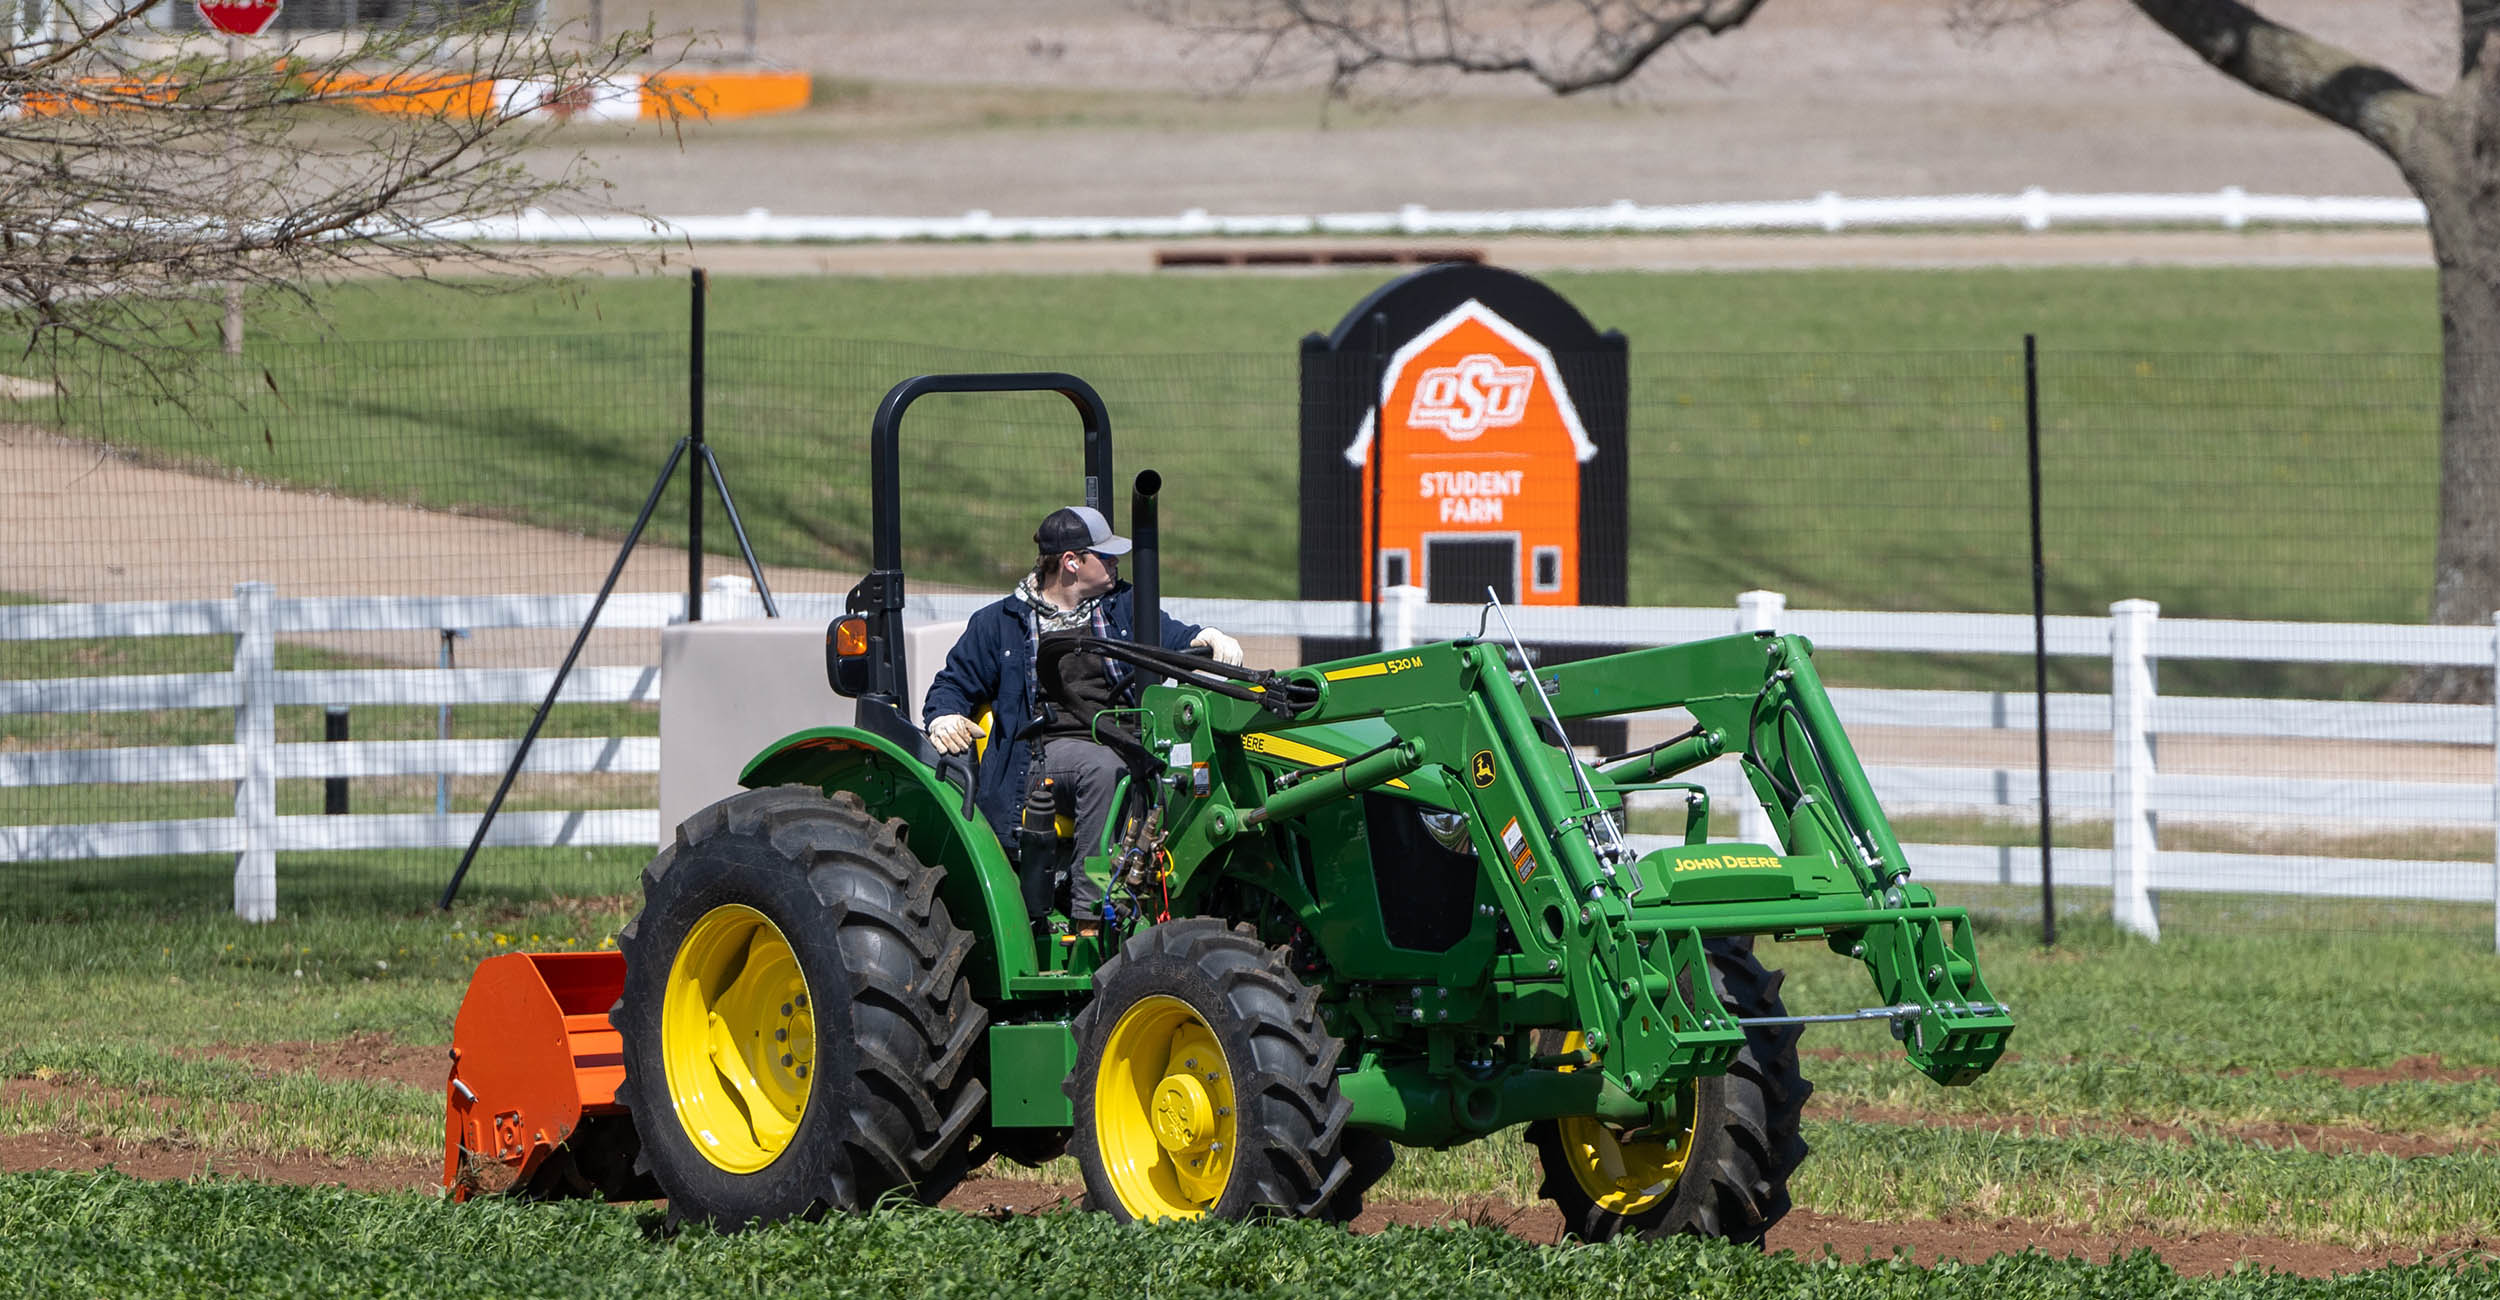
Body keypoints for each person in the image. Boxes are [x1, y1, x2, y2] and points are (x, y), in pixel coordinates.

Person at [923, 505, 1243, 930]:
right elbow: (952, 685)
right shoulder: (1000, 624)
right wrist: (943, 716)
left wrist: (1206, 638)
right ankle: (1093, 919)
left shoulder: (1122, 607)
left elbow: (1172, 638)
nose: (1115, 564)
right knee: (1105, 770)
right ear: (1072, 563)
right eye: (1105, 556)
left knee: (1198, 766)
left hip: (1126, 741)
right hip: (1042, 755)